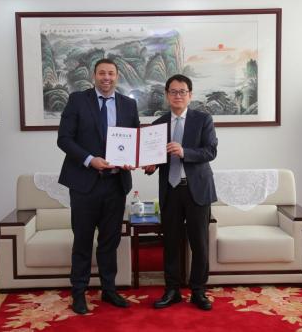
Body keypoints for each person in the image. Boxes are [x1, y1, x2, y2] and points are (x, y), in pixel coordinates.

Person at [57, 58, 140, 315]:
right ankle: (79, 293)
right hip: (84, 184)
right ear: (94, 76)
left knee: (109, 242)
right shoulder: (77, 100)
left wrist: (133, 160)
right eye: (102, 73)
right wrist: (90, 160)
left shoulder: (128, 104)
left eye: (111, 73)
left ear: (117, 77)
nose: (107, 78)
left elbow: (135, 139)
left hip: (116, 184)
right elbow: (64, 139)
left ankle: (109, 290)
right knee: (82, 241)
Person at [144, 74, 218, 311]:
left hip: (197, 190)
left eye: (182, 91)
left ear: (190, 95)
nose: (178, 95)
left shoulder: (203, 119)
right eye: (173, 91)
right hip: (170, 191)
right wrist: (150, 164)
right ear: (167, 95)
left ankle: (198, 291)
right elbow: (153, 159)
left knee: (199, 243)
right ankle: (172, 290)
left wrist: (184, 151)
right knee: (171, 243)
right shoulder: (157, 125)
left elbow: (210, 151)